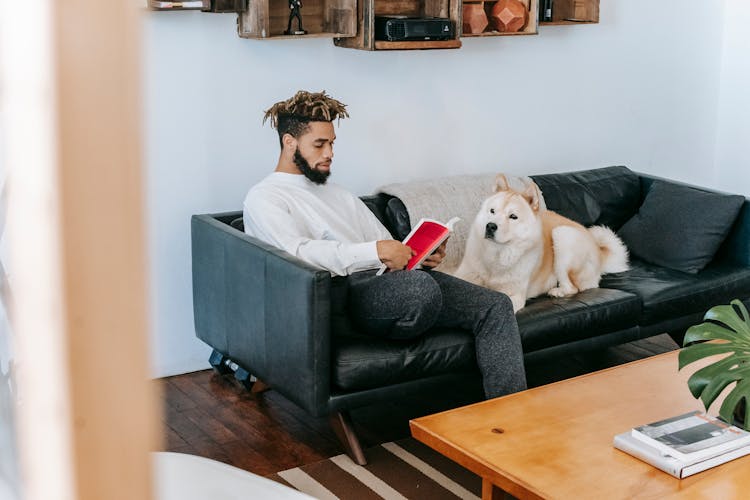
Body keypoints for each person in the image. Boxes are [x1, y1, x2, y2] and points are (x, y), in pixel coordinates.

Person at [243, 90, 527, 398]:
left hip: (388, 283)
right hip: (343, 297)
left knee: (495, 306)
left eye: (332, 143)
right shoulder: (266, 198)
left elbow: (384, 241)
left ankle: (509, 416)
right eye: (320, 144)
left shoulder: (339, 194)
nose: (330, 153)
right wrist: (375, 252)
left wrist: (418, 254)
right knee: (420, 289)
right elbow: (296, 254)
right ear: (289, 142)